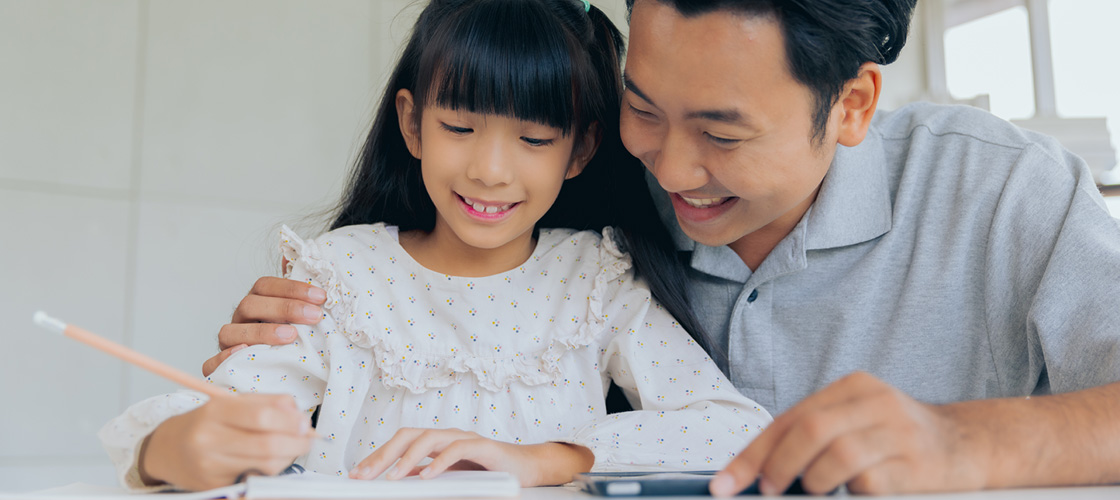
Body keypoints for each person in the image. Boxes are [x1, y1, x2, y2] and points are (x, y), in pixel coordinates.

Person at [217, 0, 1120, 495]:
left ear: (851, 106)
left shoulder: (1001, 190)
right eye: (642, 105)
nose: (671, 166)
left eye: (722, 134)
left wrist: (968, 444)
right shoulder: (589, 172)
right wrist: (316, 331)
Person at [99, 0, 772, 492]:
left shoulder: (595, 279)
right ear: (413, 125)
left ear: (580, 150)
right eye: (459, 127)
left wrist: (547, 457)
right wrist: (176, 447)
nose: (490, 171)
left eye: (534, 140)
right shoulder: (344, 274)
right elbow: (197, 417)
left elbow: (730, 429)